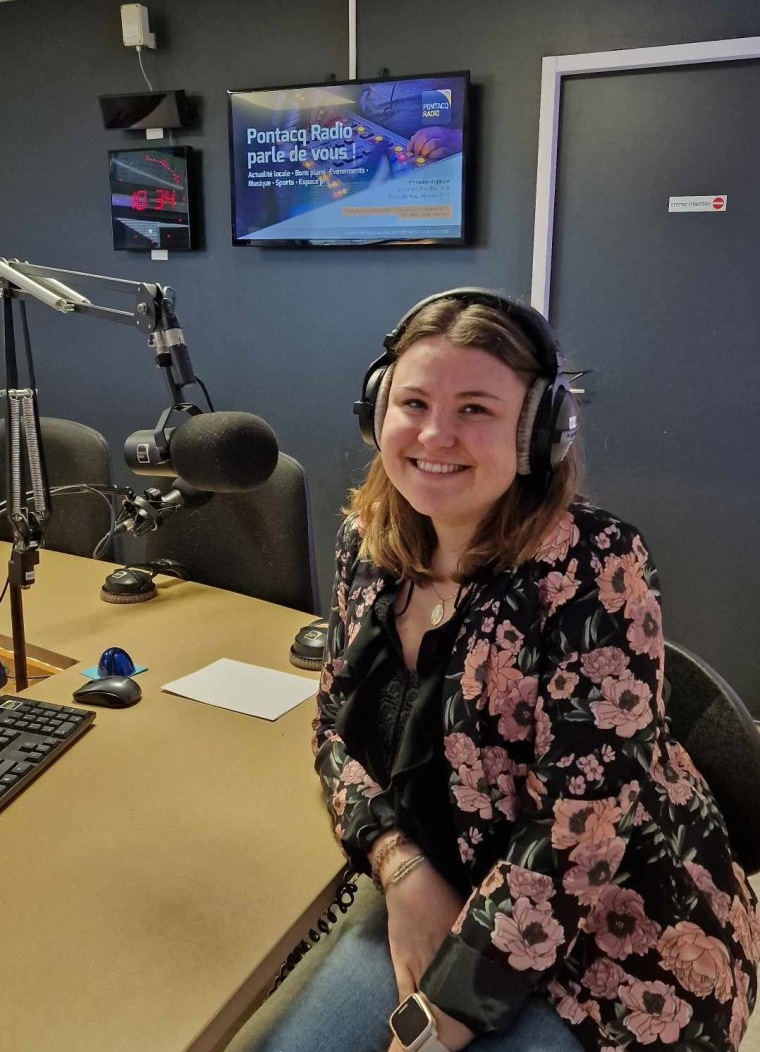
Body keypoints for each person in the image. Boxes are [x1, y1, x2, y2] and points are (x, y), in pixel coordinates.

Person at [227, 289, 759, 1052]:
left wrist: (444, 1011)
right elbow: (333, 734)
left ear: (536, 431)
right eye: (413, 402)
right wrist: (400, 866)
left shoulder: (595, 565)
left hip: (618, 929)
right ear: (377, 410)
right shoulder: (366, 542)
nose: (434, 434)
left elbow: (584, 826)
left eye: (474, 408)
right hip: (443, 872)